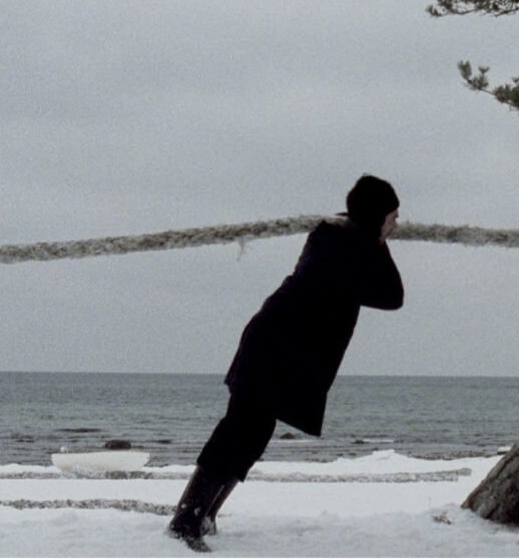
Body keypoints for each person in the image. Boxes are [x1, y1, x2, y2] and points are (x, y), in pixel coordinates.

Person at [167, 175, 403, 552]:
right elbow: (391, 295)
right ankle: (186, 521)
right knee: (238, 432)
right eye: (392, 216)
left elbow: (391, 296)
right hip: (273, 349)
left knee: (252, 436)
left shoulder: (345, 240)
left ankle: (204, 516)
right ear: (376, 217)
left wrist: (375, 238)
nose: (396, 225)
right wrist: (378, 241)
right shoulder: (339, 244)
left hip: (283, 352)